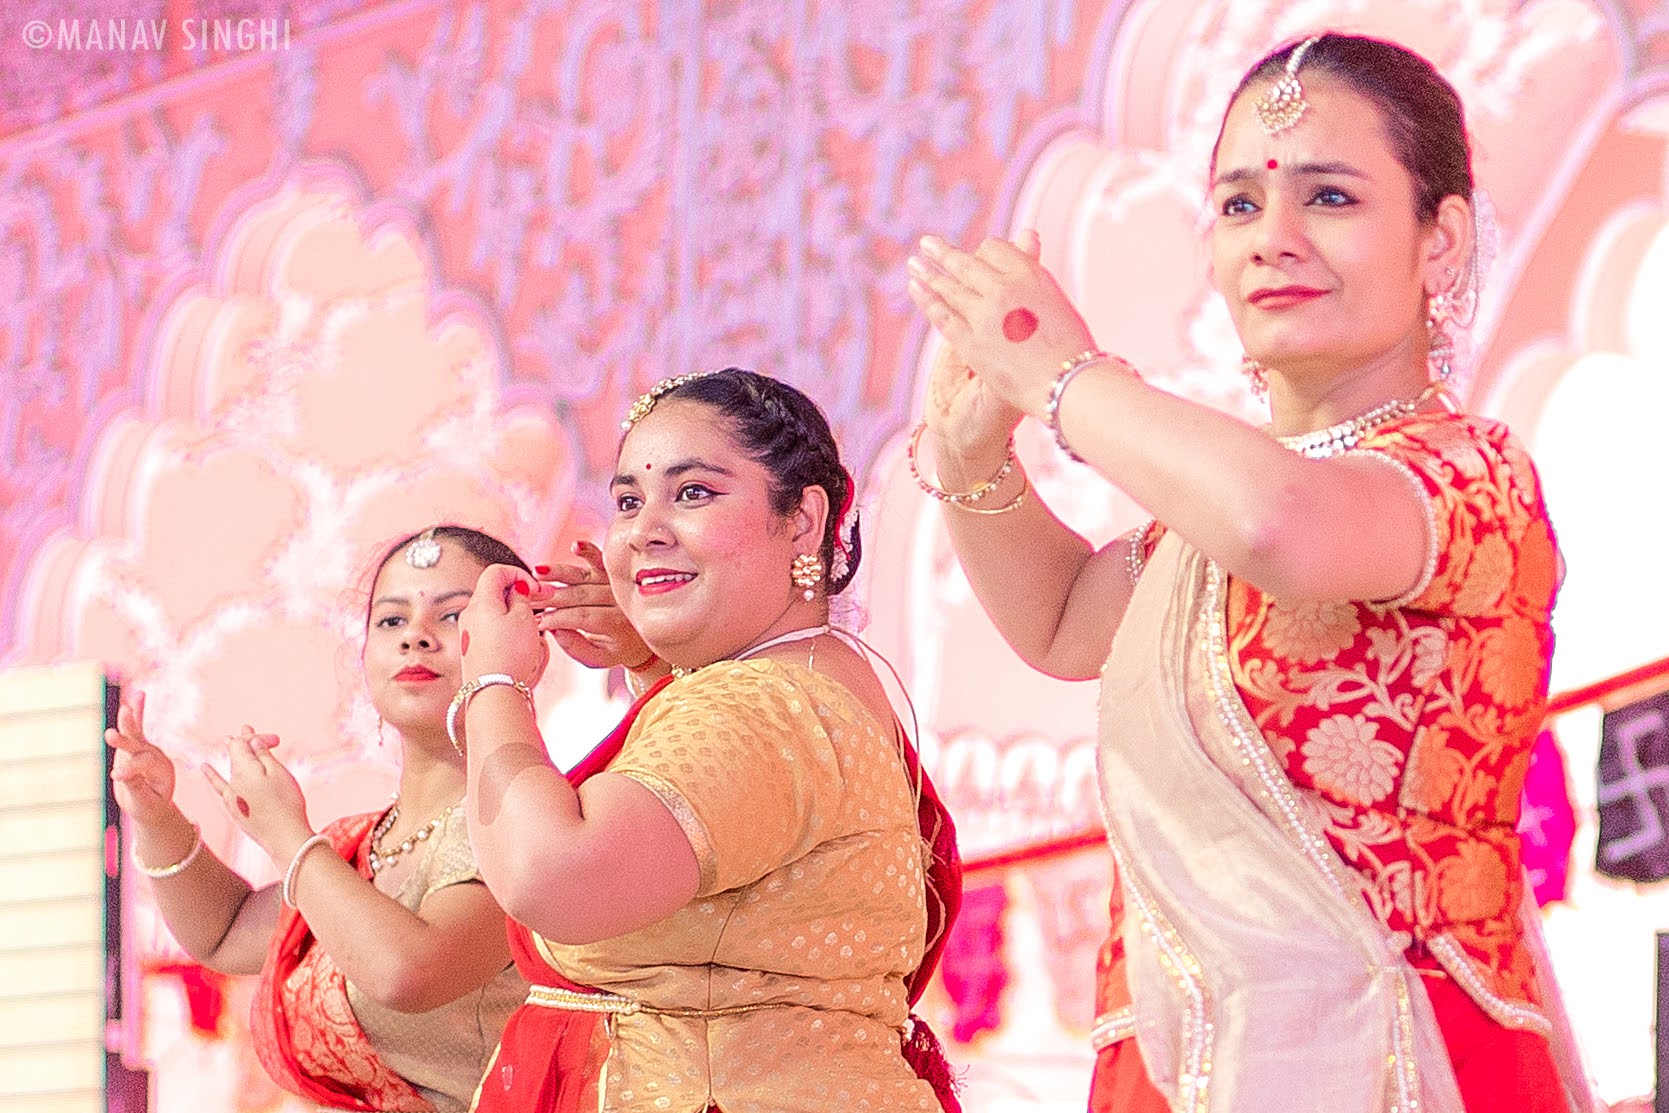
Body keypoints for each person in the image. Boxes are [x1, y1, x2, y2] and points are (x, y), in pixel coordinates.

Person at [905, 31, 1589, 1113]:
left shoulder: (1465, 474)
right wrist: (968, 450)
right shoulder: (1201, 528)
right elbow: (1063, 620)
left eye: (1328, 198)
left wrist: (1063, 376)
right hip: (1174, 1062)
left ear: (1440, 239)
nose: (1272, 239)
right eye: (1237, 206)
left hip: (1392, 1061)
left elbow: (1280, 523)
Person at [452, 368, 962, 1113]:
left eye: (693, 492)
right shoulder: (813, 678)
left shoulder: (762, 704)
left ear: (803, 520)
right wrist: (655, 664)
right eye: (628, 500)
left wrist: (493, 686)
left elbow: (550, 873)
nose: (643, 531)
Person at [108, 525, 660, 1112]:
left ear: (524, 639)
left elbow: (410, 973)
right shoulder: (360, 845)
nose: (416, 638)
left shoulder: (520, 826)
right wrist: (154, 813)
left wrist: (289, 839)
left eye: (451, 616)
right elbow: (224, 934)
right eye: (391, 621)